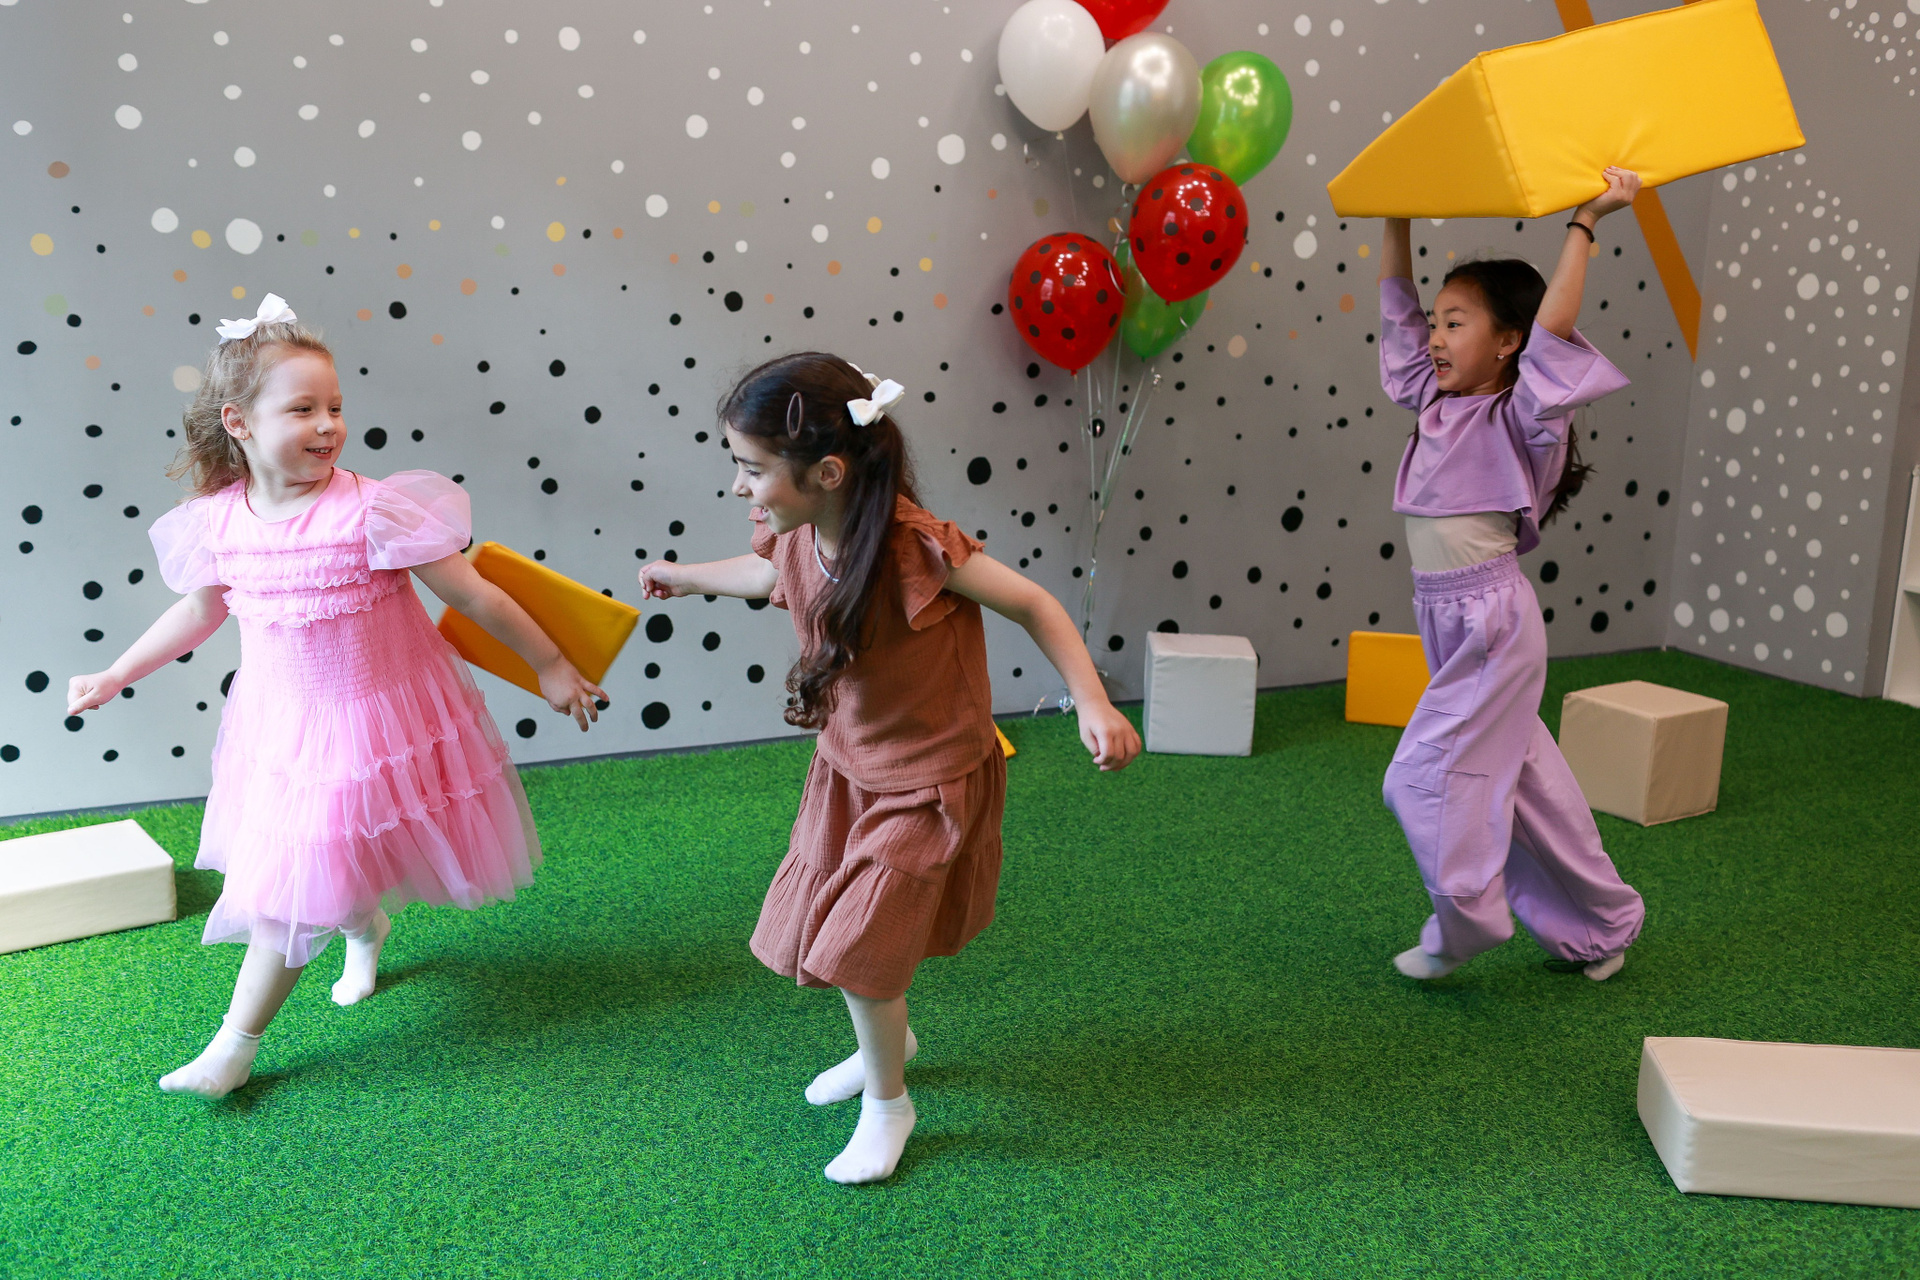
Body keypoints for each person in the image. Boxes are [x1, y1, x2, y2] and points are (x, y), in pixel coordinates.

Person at [67, 294, 605, 1098]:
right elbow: (198, 613)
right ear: (239, 423)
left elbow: (474, 596)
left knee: (303, 870)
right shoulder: (219, 522)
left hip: (377, 720)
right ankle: (364, 924)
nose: (328, 425)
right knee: (320, 859)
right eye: (303, 409)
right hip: (281, 728)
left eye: (335, 407)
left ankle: (233, 1048)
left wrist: (551, 664)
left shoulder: (373, 511)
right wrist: (116, 673)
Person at [639, 352, 1140, 1183]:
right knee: (847, 935)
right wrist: (685, 578)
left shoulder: (917, 548)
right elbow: (766, 572)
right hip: (849, 770)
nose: (738, 486)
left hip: (928, 782)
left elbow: (1033, 603)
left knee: (859, 945)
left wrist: (1092, 701)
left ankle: (888, 1105)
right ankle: (888, 1041)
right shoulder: (799, 536)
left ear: (827, 472)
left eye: (752, 468)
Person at [1375, 169, 1647, 983]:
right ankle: (1600, 926)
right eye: (1436, 322)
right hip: (1444, 615)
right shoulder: (1433, 400)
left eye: (1455, 323)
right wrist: (1395, 216)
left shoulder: (1522, 415)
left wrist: (1585, 222)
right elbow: (1396, 307)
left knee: (1420, 778)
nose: (1434, 336)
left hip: (1491, 621)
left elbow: (1553, 330)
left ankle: (1463, 924)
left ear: (1506, 343)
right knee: (1528, 787)